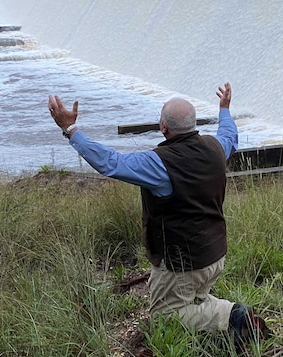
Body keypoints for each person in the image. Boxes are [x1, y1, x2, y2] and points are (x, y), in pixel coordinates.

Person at [47, 83, 271, 348]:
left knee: (165, 319)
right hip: (215, 254)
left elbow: (112, 163)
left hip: (183, 264)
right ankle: (221, 325)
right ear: (193, 124)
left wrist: (71, 130)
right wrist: (224, 110)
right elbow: (229, 134)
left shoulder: (159, 164)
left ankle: (233, 315)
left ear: (163, 128)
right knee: (196, 297)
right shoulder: (215, 148)